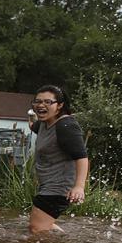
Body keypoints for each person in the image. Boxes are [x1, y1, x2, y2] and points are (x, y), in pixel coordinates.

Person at [26, 85, 89, 234]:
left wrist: (79, 187)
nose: (41, 105)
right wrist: (31, 117)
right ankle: (64, 240)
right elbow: (33, 126)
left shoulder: (66, 126)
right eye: (37, 101)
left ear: (60, 105)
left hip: (60, 187)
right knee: (38, 227)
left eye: (47, 102)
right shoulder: (44, 123)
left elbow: (82, 157)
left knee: (36, 229)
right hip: (47, 185)